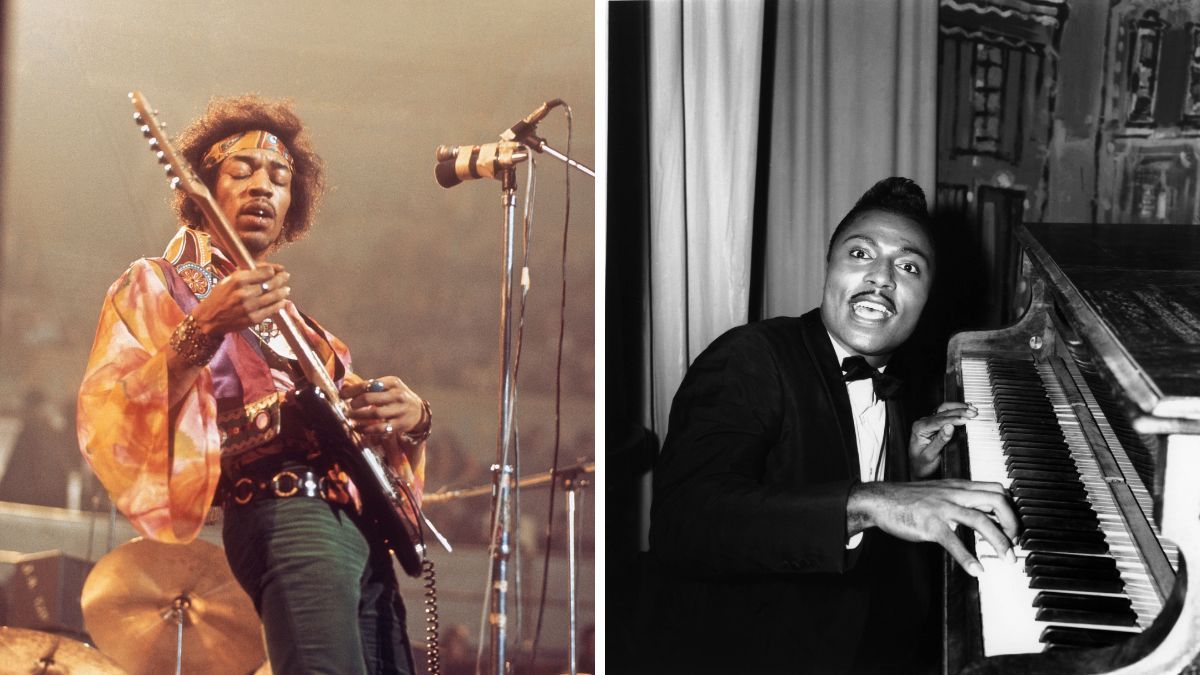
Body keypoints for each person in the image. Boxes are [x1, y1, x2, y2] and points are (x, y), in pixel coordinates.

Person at [77, 95, 431, 674]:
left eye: (280, 177)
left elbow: (376, 438)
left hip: (362, 526)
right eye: (240, 172)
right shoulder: (157, 284)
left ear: (294, 204)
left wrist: (413, 420)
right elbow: (112, 412)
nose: (262, 186)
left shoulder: (314, 337)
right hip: (285, 507)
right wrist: (206, 325)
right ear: (203, 191)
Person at [641, 177, 1019, 674]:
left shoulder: (897, 382)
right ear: (830, 267)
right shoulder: (752, 356)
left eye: (908, 267)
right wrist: (869, 501)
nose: (881, 277)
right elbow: (685, 522)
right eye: (860, 254)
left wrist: (911, 472)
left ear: (926, 300)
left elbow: (842, 469)